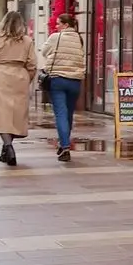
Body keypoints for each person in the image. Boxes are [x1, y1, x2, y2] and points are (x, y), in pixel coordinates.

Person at [0, 11, 38, 166]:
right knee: (15, 115)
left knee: (0, 115)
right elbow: (32, 64)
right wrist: (27, 78)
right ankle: (6, 149)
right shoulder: (27, 41)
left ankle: (8, 147)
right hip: (19, 75)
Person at [40, 11, 87, 162]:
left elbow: (44, 52)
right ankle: (63, 143)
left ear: (66, 25)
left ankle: (65, 146)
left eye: (58, 23)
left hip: (58, 79)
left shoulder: (55, 37)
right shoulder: (79, 39)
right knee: (68, 114)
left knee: (60, 113)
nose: (56, 26)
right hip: (75, 81)